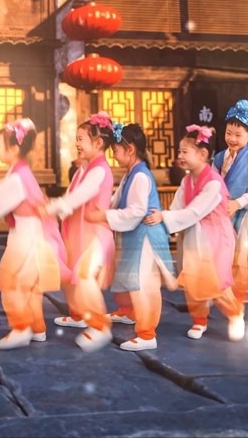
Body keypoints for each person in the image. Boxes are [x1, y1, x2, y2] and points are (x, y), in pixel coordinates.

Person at [0, 119, 67, 349]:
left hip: (26, 237)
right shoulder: (21, 173)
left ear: (14, 148)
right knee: (31, 287)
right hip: (34, 234)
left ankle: (21, 328)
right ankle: (37, 327)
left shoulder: (17, 177)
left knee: (13, 283)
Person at [144, 125, 245, 342]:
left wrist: (164, 217)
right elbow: (177, 208)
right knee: (191, 280)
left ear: (202, 154)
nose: (180, 156)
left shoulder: (214, 183)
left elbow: (195, 211)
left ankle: (235, 314)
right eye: (179, 151)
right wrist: (163, 220)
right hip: (193, 236)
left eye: (185, 151)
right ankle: (199, 320)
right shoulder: (187, 180)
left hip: (215, 238)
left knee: (214, 281)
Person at [87, 123, 176, 350]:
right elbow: (117, 200)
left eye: (116, 150)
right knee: (129, 277)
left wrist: (104, 215)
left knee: (143, 284)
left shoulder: (140, 176)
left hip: (146, 236)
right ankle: (128, 312)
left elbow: (136, 211)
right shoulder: (131, 174)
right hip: (137, 235)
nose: (114, 156)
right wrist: (103, 209)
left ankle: (147, 334)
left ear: (130, 149)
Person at [45, 111, 116, 352]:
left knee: (84, 275)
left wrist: (50, 208)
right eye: (76, 139)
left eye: (81, 139)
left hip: (95, 234)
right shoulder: (84, 169)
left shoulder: (99, 170)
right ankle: (79, 314)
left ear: (98, 143)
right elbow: (69, 197)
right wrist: (54, 208)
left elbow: (78, 198)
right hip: (79, 231)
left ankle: (100, 326)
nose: (77, 144)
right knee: (70, 276)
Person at [212, 99, 248, 307]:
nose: (232, 138)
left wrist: (238, 202)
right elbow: (213, 187)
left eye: (238, 135)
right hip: (223, 213)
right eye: (229, 133)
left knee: (238, 259)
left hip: (244, 214)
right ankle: (224, 296)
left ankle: (238, 301)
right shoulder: (220, 158)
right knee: (219, 257)